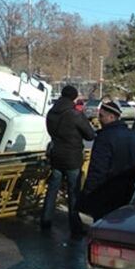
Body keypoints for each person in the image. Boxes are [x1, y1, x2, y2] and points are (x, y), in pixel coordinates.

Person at [41, 85, 95, 236]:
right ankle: (75, 226)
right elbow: (90, 135)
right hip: (72, 157)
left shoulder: (51, 112)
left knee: (52, 189)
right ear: (74, 97)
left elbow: (50, 131)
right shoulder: (75, 114)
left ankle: (45, 220)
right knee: (73, 191)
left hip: (56, 154)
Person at [81, 101, 135, 220]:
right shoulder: (133, 135)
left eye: (101, 116)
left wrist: (88, 194)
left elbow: (97, 169)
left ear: (111, 117)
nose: (98, 119)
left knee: (103, 229)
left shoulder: (105, 137)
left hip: (106, 193)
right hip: (127, 192)